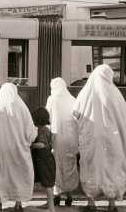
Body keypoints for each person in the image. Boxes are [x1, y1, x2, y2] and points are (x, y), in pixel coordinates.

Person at [72, 64, 126, 212]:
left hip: (90, 138)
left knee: (90, 167)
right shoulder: (115, 93)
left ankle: (91, 202)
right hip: (112, 139)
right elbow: (125, 116)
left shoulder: (85, 92)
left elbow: (75, 113)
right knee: (112, 167)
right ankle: (111, 203)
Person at [0, 83, 37, 212]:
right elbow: (29, 130)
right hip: (19, 147)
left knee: (1, 173)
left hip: (2, 147)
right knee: (19, 173)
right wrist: (32, 137)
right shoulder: (21, 106)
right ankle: (18, 203)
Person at [45, 77, 79, 206]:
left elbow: (48, 118)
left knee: (56, 166)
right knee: (70, 164)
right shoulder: (72, 100)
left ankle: (57, 195)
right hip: (71, 139)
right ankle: (69, 196)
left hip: (57, 139)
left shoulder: (52, 99)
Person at [31, 107, 56, 212]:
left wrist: (31, 145)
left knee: (48, 185)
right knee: (47, 184)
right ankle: (49, 204)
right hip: (47, 160)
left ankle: (51, 208)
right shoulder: (46, 129)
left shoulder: (42, 130)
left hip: (45, 161)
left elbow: (41, 145)